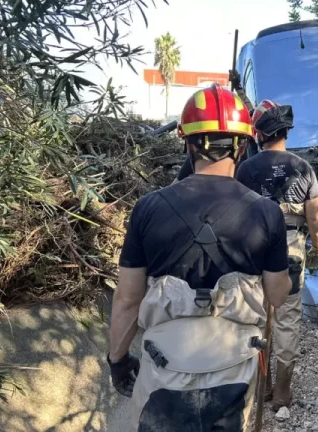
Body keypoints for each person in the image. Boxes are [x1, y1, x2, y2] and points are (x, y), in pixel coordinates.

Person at [107, 84, 292, 431]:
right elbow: (278, 297)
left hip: (165, 370)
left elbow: (128, 299)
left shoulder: (148, 208)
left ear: (188, 143)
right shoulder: (266, 213)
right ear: (242, 144)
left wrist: (117, 359)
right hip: (234, 371)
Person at [235, 99, 318, 412]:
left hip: (255, 247)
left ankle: (261, 389)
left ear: (259, 134)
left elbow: (235, 214)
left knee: (257, 320)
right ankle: (283, 393)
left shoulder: (245, 169)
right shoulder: (304, 168)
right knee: (286, 319)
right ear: (285, 131)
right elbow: (314, 218)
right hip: (290, 248)